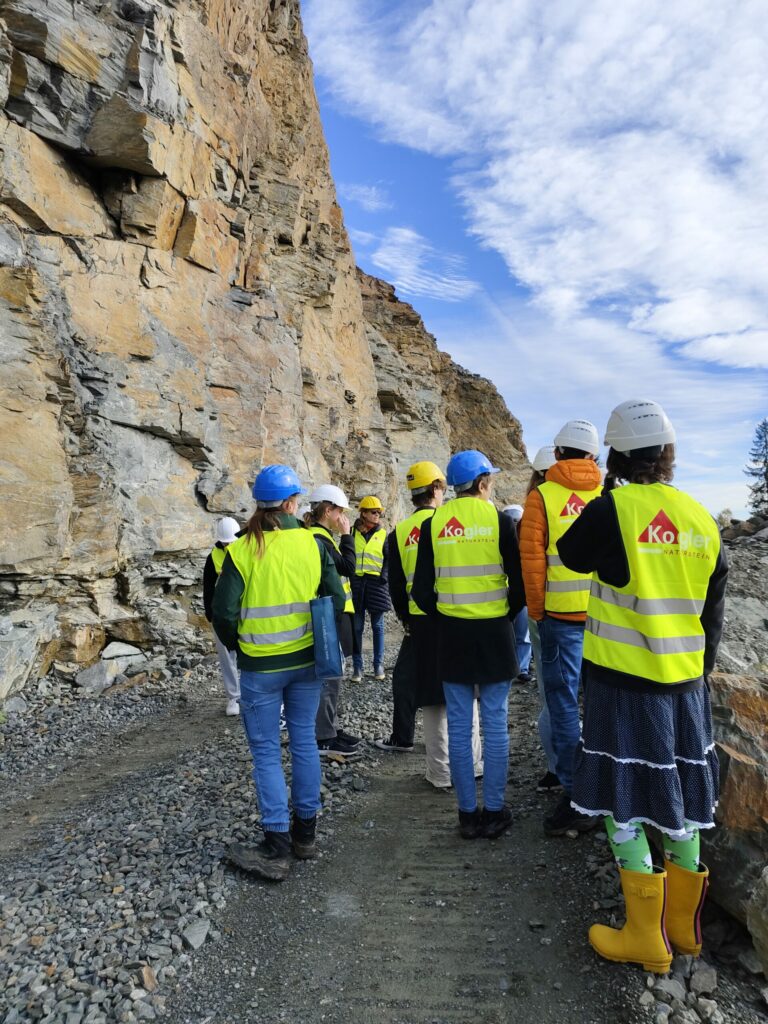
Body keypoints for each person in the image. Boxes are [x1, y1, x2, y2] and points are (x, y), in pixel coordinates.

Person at [557, 399, 728, 973]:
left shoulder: (616, 510)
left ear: (616, 454)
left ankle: (644, 935)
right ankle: (683, 930)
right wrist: (694, 674)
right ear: (669, 455)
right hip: (685, 688)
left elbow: (571, 554)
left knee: (619, 796)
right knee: (683, 796)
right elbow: (713, 615)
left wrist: (610, 492)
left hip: (622, 684)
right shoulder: (701, 517)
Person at [212, 464, 345, 882]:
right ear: (291, 504)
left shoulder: (240, 551)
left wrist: (242, 646)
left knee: (267, 751)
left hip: (260, 668)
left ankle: (276, 842)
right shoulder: (312, 544)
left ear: (259, 505)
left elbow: (223, 613)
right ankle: (306, 834)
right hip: (307, 664)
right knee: (304, 739)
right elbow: (336, 599)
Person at [412, 450, 525, 838]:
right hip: (494, 633)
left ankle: (466, 815)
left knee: (460, 728)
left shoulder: (434, 523)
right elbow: (521, 586)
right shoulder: (500, 520)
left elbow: (421, 591)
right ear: (481, 484)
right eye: (489, 480)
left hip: (453, 635)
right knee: (494, 726)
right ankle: (493, 811)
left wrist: (447, 614)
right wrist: (502, 615)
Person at [377, 461, 483, 787]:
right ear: (438, 487)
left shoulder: (397, 535)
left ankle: (440, 773)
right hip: (455, 618)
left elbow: (395, 586)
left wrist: (407, 620)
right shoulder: (446, 525)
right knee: (466, 692)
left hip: (419, 625)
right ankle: (475, 765)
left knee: (434, 697)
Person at [519, 419, 602, 835]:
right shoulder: (609, 496)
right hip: (605, 622)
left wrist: (537, 613)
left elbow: (532, 562)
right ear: (593, 457)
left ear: (557, 454)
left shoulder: (543, 497)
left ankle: (574, 791)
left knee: (564, 704)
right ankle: (607, 786)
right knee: (603, 703)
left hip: (558, 619)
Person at [304, 484, 361, 760]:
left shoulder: (321, 536)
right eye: (340, 512)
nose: (343, 518)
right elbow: (347, 568)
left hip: (332, 615)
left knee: (333, 677)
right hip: (329, 616)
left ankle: (330, 729)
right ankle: (323, 737)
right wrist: (348, 536)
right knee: (330, 678)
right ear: (328, 511)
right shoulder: (319, 539)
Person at [526, 446, 561, 794]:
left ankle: (557, 770)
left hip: (549, 615)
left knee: (553, 697)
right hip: (597, 617)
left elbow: (532, 574)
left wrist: (537, 615)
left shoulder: (535, 506)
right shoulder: (599, 501)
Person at [203, 516, 242, 716]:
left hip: (245, 611)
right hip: (222, 613)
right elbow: (208, 587)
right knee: (227, 657)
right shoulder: (213, 557)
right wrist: (210, 612)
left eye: (231, 541)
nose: (228, 545)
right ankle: (234, 697)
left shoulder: (246, 550)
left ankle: (253, 693)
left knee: (248, 652)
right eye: (225, 542)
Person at [351, 495, 391, 681]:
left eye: (379, 512)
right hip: (358, 585)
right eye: (374, 512)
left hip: (376, 585)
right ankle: (357, 669)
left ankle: (378, 666)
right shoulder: (352, 533)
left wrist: (384, 578)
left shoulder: (383, 534)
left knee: (378, 626)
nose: (377, 515)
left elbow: (389, 560)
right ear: (363, 513)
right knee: (357, 627)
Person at [502, 505, 533, 685]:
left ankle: (521, 668)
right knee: (517, 634)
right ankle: (516, 667)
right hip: (506, 593)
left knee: (522, 634)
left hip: (517, 593)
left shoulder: (525, 543)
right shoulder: (501, 541)